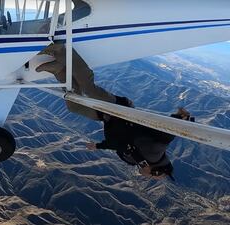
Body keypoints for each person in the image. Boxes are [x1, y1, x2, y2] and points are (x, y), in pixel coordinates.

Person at [36, 43, 194, 181]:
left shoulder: (137, 161)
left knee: (74, 106)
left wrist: (99, 146)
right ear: (156, 170)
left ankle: (59, 71)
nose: (149, 178)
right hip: (120, 110)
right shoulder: (154, 153)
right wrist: (183, 121)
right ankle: (62, 50)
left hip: (109, 119)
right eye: (154, 177)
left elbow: (119, 144)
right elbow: (167, 134)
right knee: (90, 90)